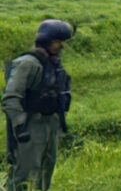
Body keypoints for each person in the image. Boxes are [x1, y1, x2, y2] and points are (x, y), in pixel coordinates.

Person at [2, 19, 73, 191]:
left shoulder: (53, 64)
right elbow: (11, 98)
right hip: (31, 125)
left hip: (51, 124)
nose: (61, 46)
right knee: (23, 177)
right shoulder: (27, 63)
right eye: (58, 42)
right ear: (46, 41)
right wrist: (20, 127)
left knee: (45, 173)